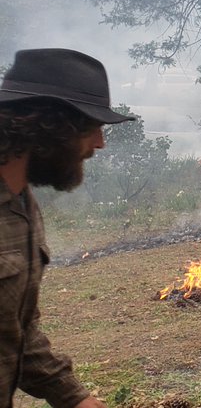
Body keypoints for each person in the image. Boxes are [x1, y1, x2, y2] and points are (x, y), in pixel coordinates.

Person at [0, 48, 132, 408]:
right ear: (51, 127)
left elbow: (16, 333)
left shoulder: (22, 203)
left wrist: (76, 399)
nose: (101, 143)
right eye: (92, 128)